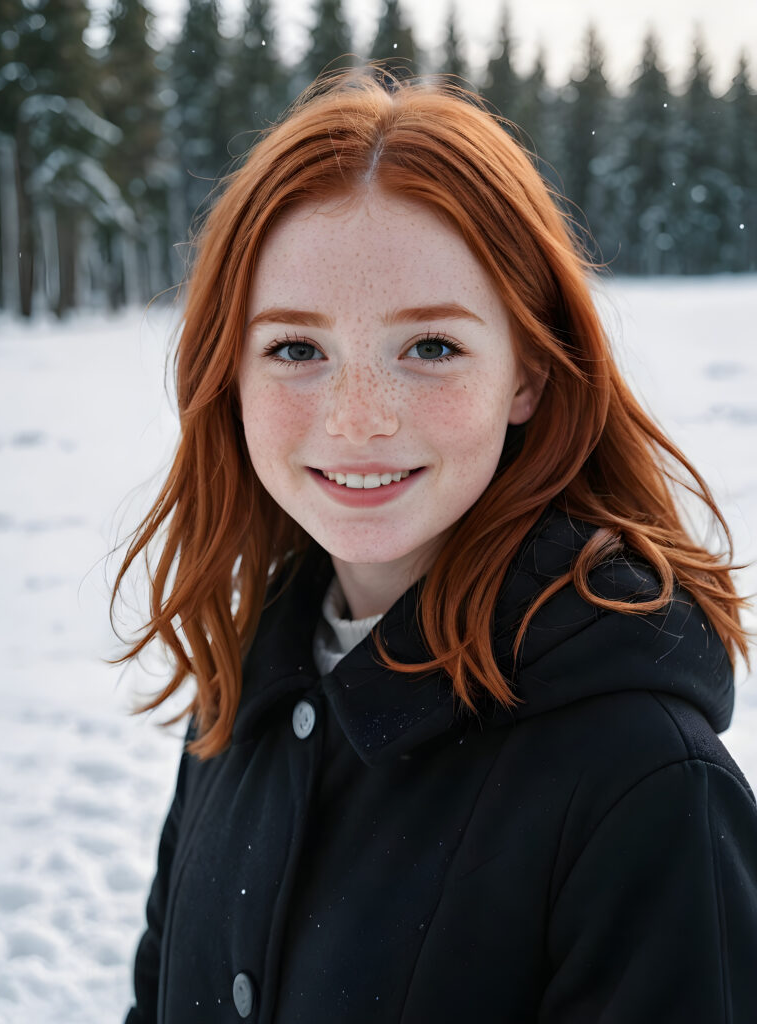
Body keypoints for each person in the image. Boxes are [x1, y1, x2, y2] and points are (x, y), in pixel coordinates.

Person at [115, 67, 757, 1023]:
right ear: (231, 373)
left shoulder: (647, 786)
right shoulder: (246, 695)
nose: (358, 419)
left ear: (529, 374)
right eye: (296, 348)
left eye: (432, 348)